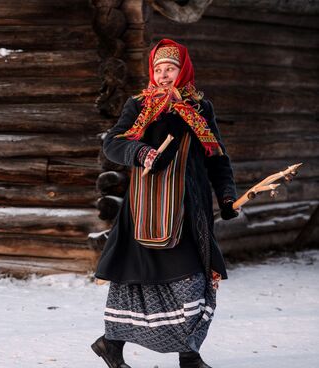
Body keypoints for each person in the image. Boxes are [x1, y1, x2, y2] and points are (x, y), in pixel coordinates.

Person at [90, 39, 239, 368]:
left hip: (190, 211)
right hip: (147, 210)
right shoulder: (139, 106)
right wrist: (140, 152)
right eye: (158, 69)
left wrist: (226, 195)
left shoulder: (199, 109)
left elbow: (217, 157)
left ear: (183, 70)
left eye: (170, 68)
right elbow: (113, 144)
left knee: (193, 281)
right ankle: (113, 344)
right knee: (137, 280)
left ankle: (188, 354)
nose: (163, 75)